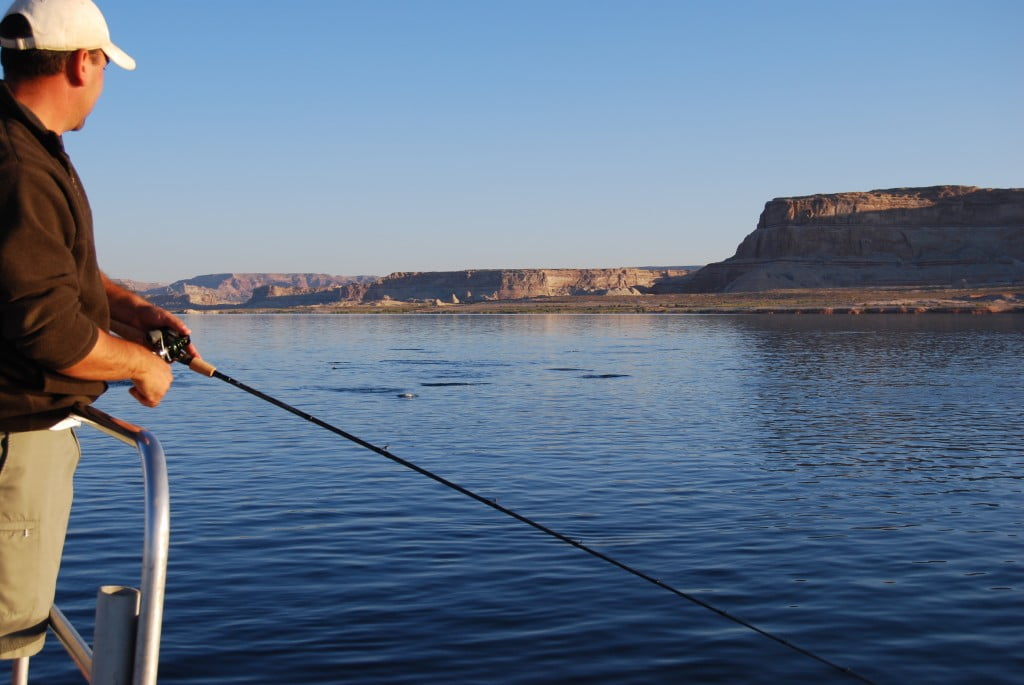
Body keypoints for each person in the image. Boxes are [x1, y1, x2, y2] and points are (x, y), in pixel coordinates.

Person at [0, 0, 194, 660]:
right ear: (83, 63)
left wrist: (131, 312)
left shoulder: (25, 142)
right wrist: (142, 365)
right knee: (6, 630)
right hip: (13, 446)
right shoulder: (20, 167)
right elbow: (50, 329)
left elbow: (50, 272)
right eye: (106, 67)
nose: (104, 85)